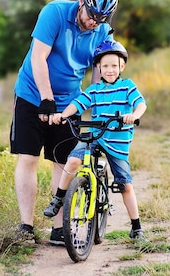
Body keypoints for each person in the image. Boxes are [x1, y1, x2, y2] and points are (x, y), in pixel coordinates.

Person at [10, 0, 119, 245]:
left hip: (70, 101)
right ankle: (26, 227)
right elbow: (38, 57)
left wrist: (98, 110)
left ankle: (60, 229)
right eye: (91, 14)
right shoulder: (55, 12)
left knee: (63, 160)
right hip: (32, 94)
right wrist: (46, 99)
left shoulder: (102, 32)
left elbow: (97, 77)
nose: (94, 21)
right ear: (82, 1)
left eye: (101, 17)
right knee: (29, 157)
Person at [43, 39, 148, 240]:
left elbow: (141, 104)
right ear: (98, 67)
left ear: (122, 66)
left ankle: (136, 227)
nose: (109, 70)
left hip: (117, 141)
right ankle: (58, 198)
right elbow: (77, 104)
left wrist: (134, 115)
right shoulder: (94, 90)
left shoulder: (127, 86)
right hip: (95, 136)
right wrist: (63, 115)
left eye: (114, 66)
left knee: (125, 184)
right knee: (72, 160)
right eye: (105, 66)